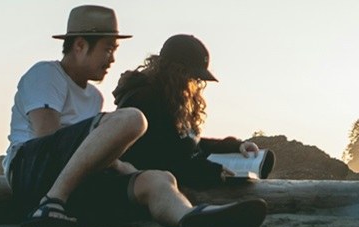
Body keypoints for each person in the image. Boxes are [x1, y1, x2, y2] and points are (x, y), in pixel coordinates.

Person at [3, 6, 267, 227]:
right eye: (107, 50)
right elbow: (47, 140)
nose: (112, 59)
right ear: (80, 45)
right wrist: (115, 164)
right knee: (133, 120)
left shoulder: (94, 96)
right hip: (31, 176)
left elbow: (86, 150)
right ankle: (51, 204)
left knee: (158, 178)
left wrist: (122, 168)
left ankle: (191, 217)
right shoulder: (46, 75)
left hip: (78, 184)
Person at [112, 34, 274, 188]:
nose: (195, 84)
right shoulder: (144, 100)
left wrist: (234, 146)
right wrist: (209, 172)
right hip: (147, 185)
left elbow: (186, 143)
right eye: (193, 78)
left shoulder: (171, 98)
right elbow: (159, 160)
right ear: (175, 72)